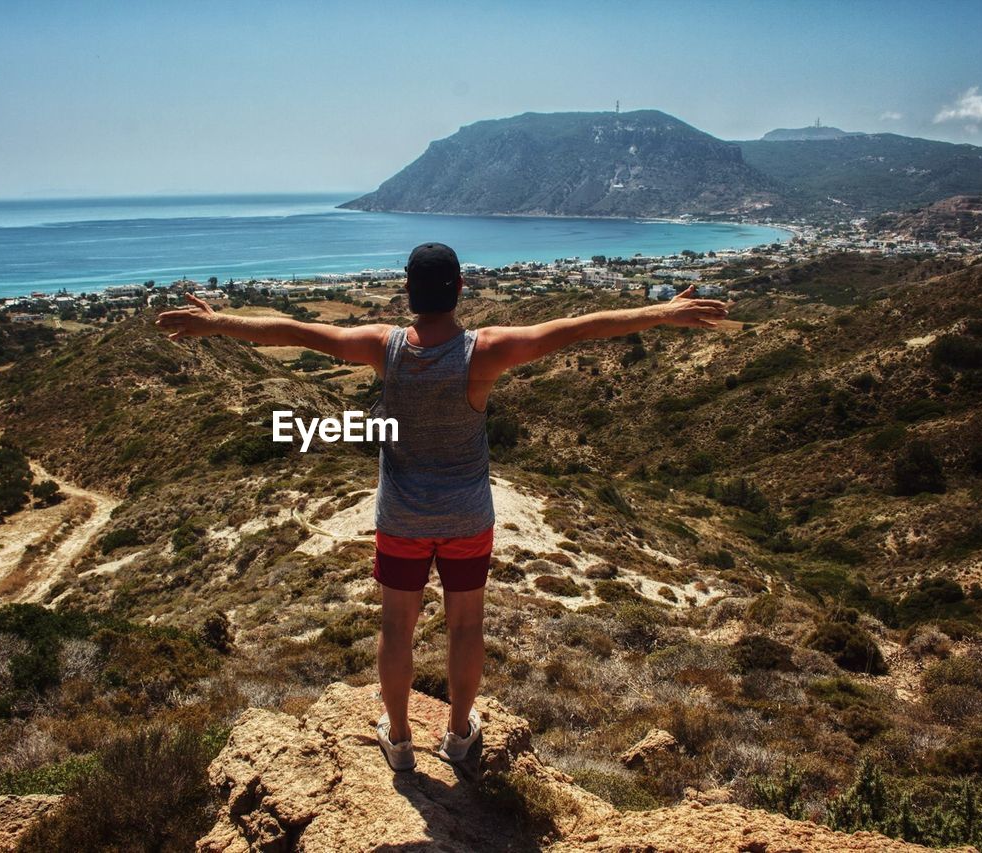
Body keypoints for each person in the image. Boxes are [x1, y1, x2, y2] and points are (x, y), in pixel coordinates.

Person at [155, 242, 729, 772]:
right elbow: (575, 330)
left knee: (396, 627)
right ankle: (458, 734)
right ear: (459, 289)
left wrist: (215, 324)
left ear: (409, 290)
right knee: (466, 625)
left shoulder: (384, 346)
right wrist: (658, 314)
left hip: (401, 517)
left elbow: (298, 333)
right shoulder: (486, 351)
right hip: (467, 519)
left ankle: (400, 740)